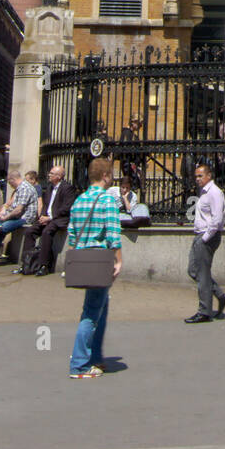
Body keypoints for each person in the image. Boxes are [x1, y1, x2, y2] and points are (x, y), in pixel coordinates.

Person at [66, 157, 123, 379]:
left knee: (100, 306)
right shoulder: (107, 200)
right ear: (106, 176)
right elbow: (113, 235)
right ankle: (79, 364)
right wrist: (118, 260)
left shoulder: (79, 200)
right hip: (99, 258)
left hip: (82, 258)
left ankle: (95, 355)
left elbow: (72, 233)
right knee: (91, 311)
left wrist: (72, 259)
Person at [185, 163, 225, 323]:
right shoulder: (203, 192)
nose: (197, 179)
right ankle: (220, 295)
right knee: (193, 270)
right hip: (199, 235)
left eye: (200, 176)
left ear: (209, 176)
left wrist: (205, 238)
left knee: (202, 274)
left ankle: (204, 311)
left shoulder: (215, 193)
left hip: (207, 236)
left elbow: (217, 219)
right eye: (196, 176)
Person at [20, 164, 75, 276]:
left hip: (59, 219)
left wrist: (50, 217)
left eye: (52, 174)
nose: (49, 175)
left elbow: (66, 207)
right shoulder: (49, 187)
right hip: (47, 217)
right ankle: (26, 263)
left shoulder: (67, 188)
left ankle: (43, 265)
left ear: (59, 176)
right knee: (30, 231)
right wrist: (42, 216)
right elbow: (46, 204)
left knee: (46, 232)